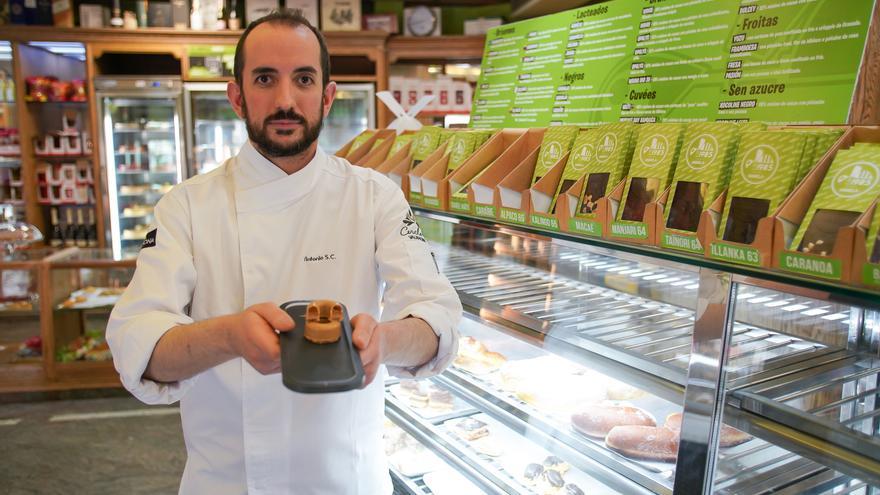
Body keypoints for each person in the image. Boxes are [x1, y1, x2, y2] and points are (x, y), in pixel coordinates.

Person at [106, 10, 462, 495]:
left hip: (347, 482)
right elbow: (137, 346)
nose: (286, 100)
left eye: (304, 79)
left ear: (328, 95)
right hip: (227, 484)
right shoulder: (186, 207)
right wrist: (230, 335)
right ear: (237, 96)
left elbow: (436, 317)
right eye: (265, 79)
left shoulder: (374, 196)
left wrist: (382, 341)